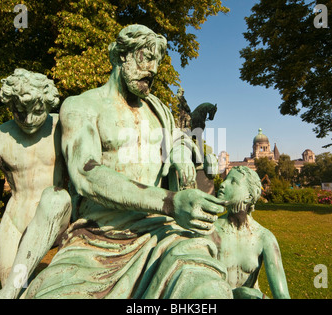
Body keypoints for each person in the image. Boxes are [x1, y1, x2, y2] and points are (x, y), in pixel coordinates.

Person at [22, 25, 232, 299]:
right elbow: (86, 174)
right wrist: (170, 202)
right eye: (146, 58)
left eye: (158, 62)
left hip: (162, 235)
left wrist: (180, 154)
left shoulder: (158, 109)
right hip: (97, 241)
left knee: (207, 293)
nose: (154, 69)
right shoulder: (81, 106)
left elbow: (178, 139)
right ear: (120, 56)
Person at [0, 69, 71, 298]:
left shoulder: (64, 128)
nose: (29, 120)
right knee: (16, 290)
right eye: (20, 112)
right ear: (10, 105)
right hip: (16, 222)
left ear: (48, 102)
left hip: (59, 219)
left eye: (38, 111)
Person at [209, 166, 290, 299]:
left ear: (249, 196)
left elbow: (281, 294)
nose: (223, 184)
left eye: (233, 182)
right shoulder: (211, 230)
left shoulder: (264, 238)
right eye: (225, 179)